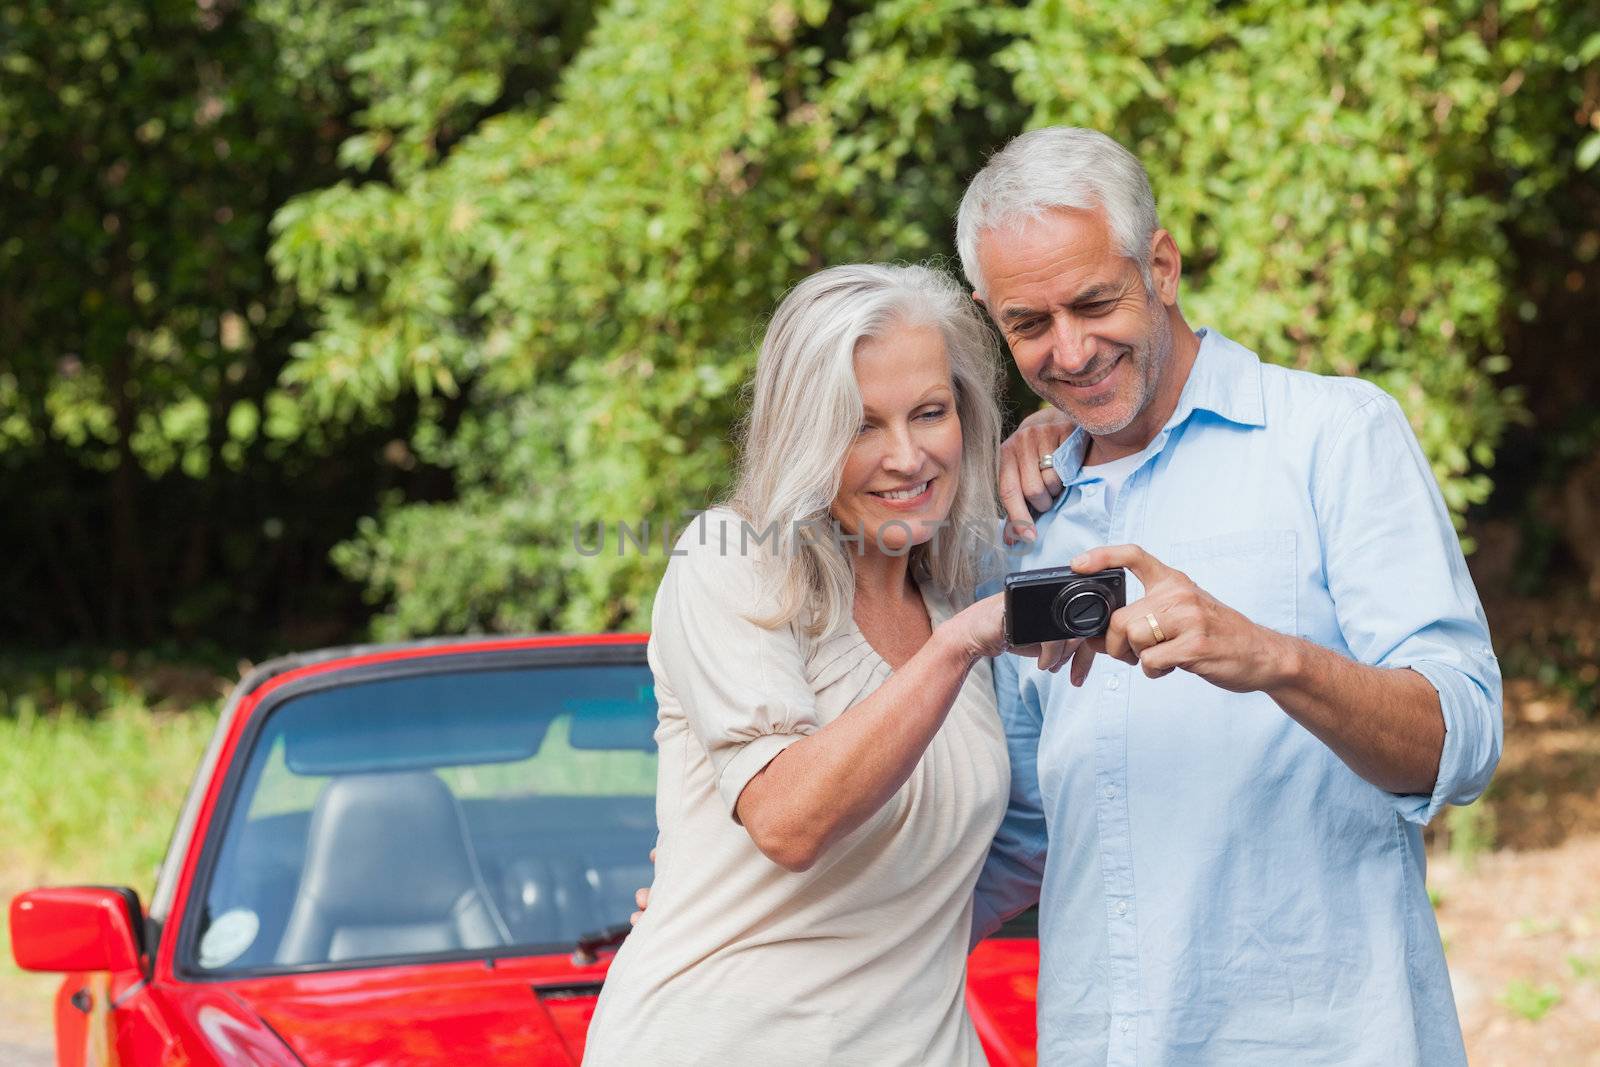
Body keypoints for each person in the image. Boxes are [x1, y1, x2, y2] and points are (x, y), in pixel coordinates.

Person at [966, 127, 1503, 1065]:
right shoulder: (1023, 512)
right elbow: (1018, 828)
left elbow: (1463, 738)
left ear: (1161, 265)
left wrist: (1276, 659)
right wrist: (781, 915)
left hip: (1325, 1041)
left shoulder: (1335, 435)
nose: (1072, 349)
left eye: (1096, 302)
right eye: (1030, 324)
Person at [581, 263, 1071, 1065]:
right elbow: (789, 820)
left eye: (930, 412)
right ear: (803, 432)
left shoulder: (953, 595)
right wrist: (960, 645)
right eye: (860, 424)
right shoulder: (733, 562)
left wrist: (1058, 430)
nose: (908, 456)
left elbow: (970, 868)